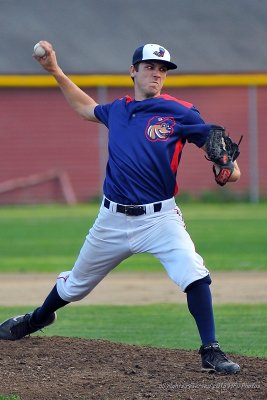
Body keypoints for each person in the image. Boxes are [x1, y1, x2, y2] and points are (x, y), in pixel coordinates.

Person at [0, 42, 241, 374]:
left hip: (160, 219)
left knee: (193, 273)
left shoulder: (181, 112)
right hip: (111, 219)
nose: (157, 73)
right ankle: (37, 319)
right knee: (74, 287)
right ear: (133, 71)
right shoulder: (118, 110)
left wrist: (229, 169)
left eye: (162, 69)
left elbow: (219, 149)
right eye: (150, 67)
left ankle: (211, 350)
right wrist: (55, 71)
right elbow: (86, 108)